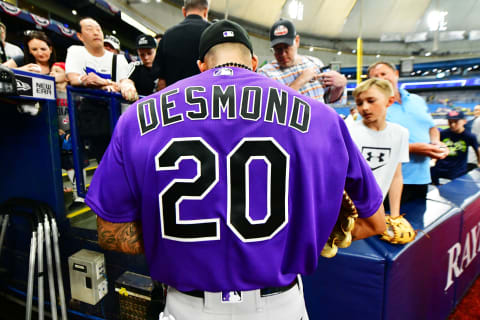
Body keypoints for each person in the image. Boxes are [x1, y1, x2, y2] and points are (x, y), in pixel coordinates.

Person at [86, 20, 386, 320]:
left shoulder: (138, 118)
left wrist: (168, 236)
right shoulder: (323, 118)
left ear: (202, 65)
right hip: (279, 306)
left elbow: (110, 231)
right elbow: (375, 224)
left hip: (188, 307)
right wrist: (306, 235)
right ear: (254, 63)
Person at [65, 17, 137, 210]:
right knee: (103, 160)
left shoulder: (118, 59)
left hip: (115, 117)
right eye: (90, 29)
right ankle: (106, 201)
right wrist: (99, 82)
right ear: (80, 35)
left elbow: (126, 82)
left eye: (98, 28)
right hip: (91, 118)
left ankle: (118, 200)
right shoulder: (76, 52)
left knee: (121, 160)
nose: (96, 32)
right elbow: (74, 79)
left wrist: (125, 86)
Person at [368, 61, 448, 203]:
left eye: (383, 74)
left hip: (421, 178)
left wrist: (436, 143)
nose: (380, 78)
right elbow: (372, 144)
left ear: (396, 74)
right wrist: (414, 148)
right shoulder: (371, 107)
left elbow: (431, 128)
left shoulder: (417, 100)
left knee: (417, 223)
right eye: (375, 76)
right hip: (388, 181)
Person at [349, 78, 412, 243]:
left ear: (390, 101)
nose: (365, 107)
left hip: (375, 212)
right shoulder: (349, 131)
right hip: (348, 213)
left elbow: (396, 175)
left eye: (371, 100)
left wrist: (395, 216)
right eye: (359, 103)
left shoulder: (401, 133)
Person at [258, 19, 346, 104]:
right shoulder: (266, 73)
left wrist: (340, 86)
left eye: (287, 47)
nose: (283, 54)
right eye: (277, 49)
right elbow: (271, 107)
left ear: (297, 41)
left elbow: (328, 100)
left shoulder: (315, 62)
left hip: (320, 119)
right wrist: (301, 80)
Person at [50, 62, 89, 200]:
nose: (51, 73)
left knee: (77, 161)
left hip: (74, 133)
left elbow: (82, 114)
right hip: (58, 134)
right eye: (51, 71)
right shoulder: (49, 92)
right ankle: (74, 192)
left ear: (67, 76)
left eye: (56, 71)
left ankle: (80, 192)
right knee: (66, 163)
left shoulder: (74, 93)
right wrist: (55, 128)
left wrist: (75, 129)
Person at [153, 0, 211, 90]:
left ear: (184, 11)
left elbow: (161, 82)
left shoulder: (168, 35)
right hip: (205, 99)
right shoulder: (213, 33)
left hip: (174, 99)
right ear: (206, 11)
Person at [431, 111, 480, 185]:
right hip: (440, 169)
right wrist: (433, 161)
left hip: (458, 172)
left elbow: (477, 149)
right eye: (450, 122)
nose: (452, 125)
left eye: (456, 122)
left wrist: (479, 163)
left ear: (464, 121)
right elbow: (436, 148)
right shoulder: (442, 134)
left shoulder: (469, 136)